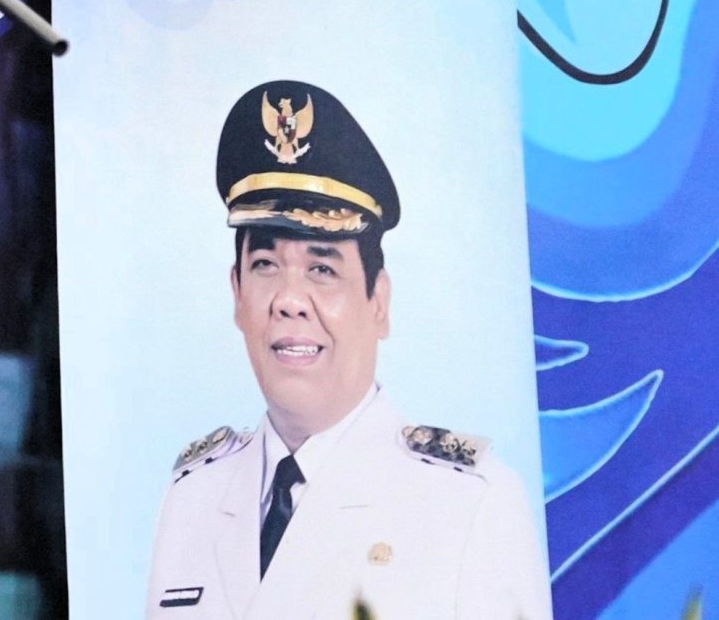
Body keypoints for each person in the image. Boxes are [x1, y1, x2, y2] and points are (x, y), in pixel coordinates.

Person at [144, 81, 551, 619]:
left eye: (322, 268)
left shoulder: (470, 506)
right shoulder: (193, 497)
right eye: (265, 265)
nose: (290, 300)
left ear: (378, 301)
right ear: (237, 293)